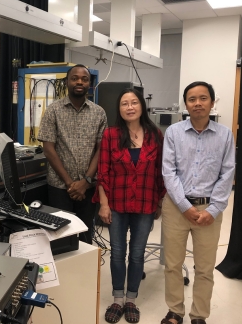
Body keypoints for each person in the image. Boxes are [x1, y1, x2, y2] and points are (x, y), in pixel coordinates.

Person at [161, 82, 235, 324]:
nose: (198, 103)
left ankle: (199, 315)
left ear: (212, 103)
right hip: (176, 207)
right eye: (192, 99)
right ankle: (175, 311)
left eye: (203, 98)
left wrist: (213, 209)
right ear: (186, 104)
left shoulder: (224, 134)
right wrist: (185, 207)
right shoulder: (173, 132)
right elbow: (168, 172)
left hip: (209, 210)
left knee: (204, 268)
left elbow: (227, 173)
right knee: (173, 264)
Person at [93, 88, 166, 323]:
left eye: (134, 102)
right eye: (124, 103)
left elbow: (161, 173)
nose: (130, 107)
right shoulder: (111, 135)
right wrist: (104, 205)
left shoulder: (155, 134)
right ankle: (117, 299)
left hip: (145, 203)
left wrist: (159, 202)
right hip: (116, 203)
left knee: (136, 255)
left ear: (141, 106)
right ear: (119, 109)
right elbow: (102, 173)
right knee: (117, 254)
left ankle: (131, 299)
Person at [37, 64, 107, 244]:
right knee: (61, 236)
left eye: (84, 79)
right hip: (59, 187)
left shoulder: (99, 113)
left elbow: (101, 149)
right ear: (67, 82)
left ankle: (85, 271)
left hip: (88, 187)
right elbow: (48, 149)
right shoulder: (53, 110)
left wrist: (86, 181)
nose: (79, 82)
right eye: (75, 78)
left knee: (85, 234)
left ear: (89, 84)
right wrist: (70, 183)